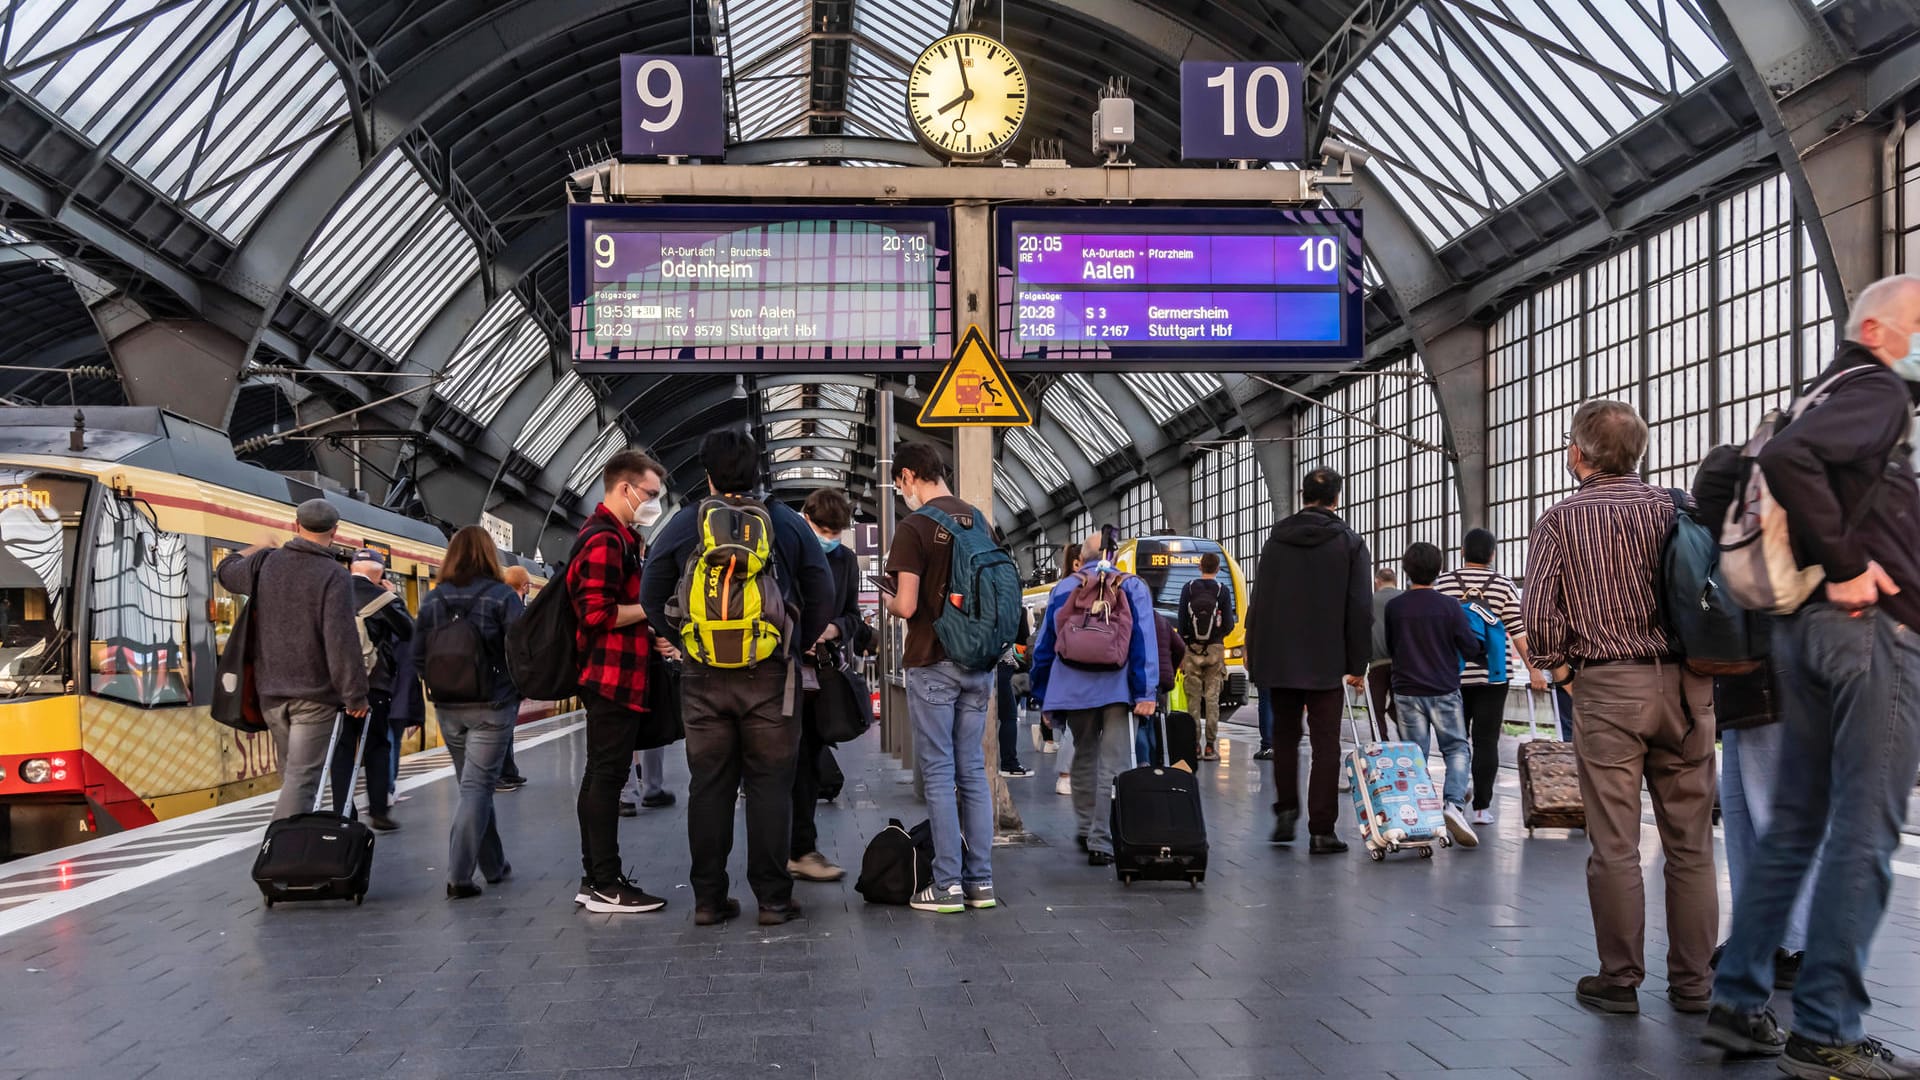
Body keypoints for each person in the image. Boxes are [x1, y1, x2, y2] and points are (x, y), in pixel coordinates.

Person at [1704, 274, 1920, 1079]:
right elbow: (1797, 462)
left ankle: (1737, 1001)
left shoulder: (1812, 393)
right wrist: (1850, 564)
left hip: (1798, 634)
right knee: (1864, 832)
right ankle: (1825, 1026)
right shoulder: (1876, 391)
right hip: (1870, 636)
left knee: (1796, 826)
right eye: (1918, 324)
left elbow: (1740, 477)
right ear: (1874, 330)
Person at [1523, 399, 1717, 1017]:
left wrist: (1561, 669)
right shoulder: (1675, 507)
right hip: (1688, 691)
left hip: (1608, 689)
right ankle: (1693, 985)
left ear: (1578, 453)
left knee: (1615, 845)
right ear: (1638, 453)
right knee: (1690, 846)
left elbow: (1540, 619)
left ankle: (1620, 978)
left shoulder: (1560, 519)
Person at [641, 428, 832, 927]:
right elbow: (822, 586)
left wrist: (682, 640)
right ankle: (772, 899)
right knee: (771, 786)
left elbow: (650, 588)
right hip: (770, 676)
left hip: (703, 677)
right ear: (758, 472)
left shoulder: (686, 524)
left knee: (709, 786)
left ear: (706, 474)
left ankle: (708, 899)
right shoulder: (786, 523)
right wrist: (795, 640)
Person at [1689, 445, 1812, 994]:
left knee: (1770, 816)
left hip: (1771, 691)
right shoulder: (1755, 534)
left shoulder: (1760, 538)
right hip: (1750, 693)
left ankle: (1799, 942)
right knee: (1740, 815)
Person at [884, 441, 1006, 911]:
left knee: (938, 774)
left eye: (900, 485)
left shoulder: (914, 527)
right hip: (978, 664)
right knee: (972, 771)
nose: (902, 493)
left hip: (933, 662)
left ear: (912, 476)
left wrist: (891, 598)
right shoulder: (980, 522)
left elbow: (909, 605)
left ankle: (948, 885)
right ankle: (982, 883)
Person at [215, 499, 368, 822]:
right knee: (303, 780)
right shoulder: (334, 575)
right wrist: (355, 695)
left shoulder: (265, 563)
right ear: (334, 531)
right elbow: (340, 640)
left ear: (295, 525)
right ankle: (278, 854)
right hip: (314, 696)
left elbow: (225, 573)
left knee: (292, 774)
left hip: (270, 694)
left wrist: (256, 547)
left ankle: (297, 855)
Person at [1244, 467, 1371, 855]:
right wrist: (1357, 662)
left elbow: (1260, 602)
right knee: (1325, 744)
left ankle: (1286, 811)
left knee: (1284, 739)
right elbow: (1359, 607)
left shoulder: (1275, 541)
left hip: (1279, 659)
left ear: (1303, 496)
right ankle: (1321, 830)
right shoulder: (1349, 543)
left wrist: (1257, 656)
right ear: (1337, 497)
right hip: (1325, 658)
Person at [569, 449, 673, 915]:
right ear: (624, 487)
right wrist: (650, 613)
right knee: (606, 778)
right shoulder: (605, 541)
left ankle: (596, 879)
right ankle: (604, 883)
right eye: (650, 494)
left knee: (602, 776)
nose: (652, 502)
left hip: (619, 673)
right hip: (610, 677)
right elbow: (594, 612)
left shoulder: (621, 537)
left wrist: (648, 633)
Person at [1030, 533, 1158, 868]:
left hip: (1072, 687)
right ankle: (1102, 840)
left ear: (1081, 557)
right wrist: (1146, 692)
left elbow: (1044, 646)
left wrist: (1043, 694)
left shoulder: (1063, 589)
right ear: (1113, 555)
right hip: (1117, 688)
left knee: (1084, 755)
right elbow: (1144, 639)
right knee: (1114, 763)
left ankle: (1087, 827)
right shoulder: (1131, 586)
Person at [412, 526, 525, 899]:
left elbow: (417, 656)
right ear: (489, 556)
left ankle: (495, 865)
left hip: (449, 708)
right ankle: (459, 876)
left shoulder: (432, 600)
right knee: (477, 788)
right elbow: (520, 651)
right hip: (492, 706)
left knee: (472, 787)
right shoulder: (502, 597)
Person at [1434, 528, 1545, 826]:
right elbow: (1518, 632)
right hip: (1494, 675)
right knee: (1486, 741)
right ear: (1492, 554)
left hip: (1452, 674)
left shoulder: (1443, 583)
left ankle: (1453, 801)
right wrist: (1534, 669)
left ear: (1462, 551)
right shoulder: (1502, 585)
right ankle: (1482, 807)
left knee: (1457, 741)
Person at [1384, 542, 1484, 848]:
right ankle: (1453, 804)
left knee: (1414, 756)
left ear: (1406, 570)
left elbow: (1391, 647)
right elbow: (1468, 646)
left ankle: (1417, 814)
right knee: (1455, 748)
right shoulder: (1449, 606)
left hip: (1406, 690)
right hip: (1443, 688)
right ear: (1438, 570)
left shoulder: (1395, 607)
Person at [791, 487, 862, 884]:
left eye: (837, 532)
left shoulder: (846, 561)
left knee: (809, 755)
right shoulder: (787, 551)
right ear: (807, 519)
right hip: (784, 666)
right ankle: (795, 847)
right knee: (789, 761)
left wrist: (835, 628)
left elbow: (852, 613)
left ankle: (800, 846)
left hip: (819, 672)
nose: (831, 539)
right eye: (824, 530)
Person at [331, 549, 412, 831]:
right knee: (377, 747)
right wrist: (395, 598)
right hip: (373, 686)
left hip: (335, 686)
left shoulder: (331, 591)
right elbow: (409, 632)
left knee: (342, 750)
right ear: (379, 573)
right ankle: (379, 811)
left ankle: (343, 812)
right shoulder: (384, 599)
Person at [1176, 551, 1235, 761]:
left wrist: (1187, 641)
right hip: (1215, 650)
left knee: (1193, 700)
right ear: (1218, 569)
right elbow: (1229, 623)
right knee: (1212, 699)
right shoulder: (1222, 590)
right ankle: (1210, 746)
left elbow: (1181, 620)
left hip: (1191, 649)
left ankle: (1195, 747)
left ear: (1200, 567)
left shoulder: (1189, 588)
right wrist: (1217, 637)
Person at [1046, 543, 1084, 795]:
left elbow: (1048, 638)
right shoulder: (1105, 585)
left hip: (1065, 662)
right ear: (1077, 563)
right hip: (1099, 666)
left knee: (1073, 722)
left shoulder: (1058, 590)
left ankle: (1066, 775)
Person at [495, 566, 532, 793]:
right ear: (525, 586)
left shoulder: (497, 598)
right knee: (502, 727)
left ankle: (509, 771)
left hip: (498, 674)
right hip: (505, 675)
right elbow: (517, 639)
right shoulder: (512, 602)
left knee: (506, 727)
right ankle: (500, 774)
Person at [995, 610, 1033, 778]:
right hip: (1004, 665)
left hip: (977, 663)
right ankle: (1009, 764)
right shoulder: (1017, 610)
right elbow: (1024, 644)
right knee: (1009, 716)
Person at [1367, 567, 1401, 740]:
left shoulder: (1369, 601)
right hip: (1403, 664)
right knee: (1402, 706)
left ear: (1377, 581)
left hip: (1377, 663)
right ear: (1395, 581)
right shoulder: (1405, 598)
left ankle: (1381, 744)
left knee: (1375, 709)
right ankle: (1406, 741)